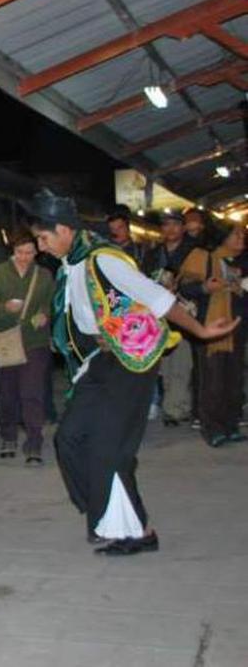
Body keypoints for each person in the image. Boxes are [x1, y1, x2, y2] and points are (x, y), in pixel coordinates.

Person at [26, 190, 239, 556]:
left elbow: (158, 297)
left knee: (110, 449)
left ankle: (139, 531)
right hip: (101, 360)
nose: (41, 247)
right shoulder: (71, 263)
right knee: (70, 439)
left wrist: (201, 331)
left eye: (43, 238)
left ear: (62, 230)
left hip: (131, 360)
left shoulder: (103, 260)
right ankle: (104, 514)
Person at [0, 231, 55, 464]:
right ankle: (8, 436)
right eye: (20, 252)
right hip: (5, 341)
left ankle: (34, 442)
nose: (24, 257)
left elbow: (51, 302)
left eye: (29, 253)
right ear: (13, 252)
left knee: (32, 392)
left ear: (36, 253)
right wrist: (5, 308)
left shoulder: (43, 275)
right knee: (8, 393)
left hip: (35, 341)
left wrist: (44, 315)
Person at [177, 223, 246, 446]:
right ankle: (212, 427)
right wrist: (205, 288)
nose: (241, 238)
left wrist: (240, 288)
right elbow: (185, 287)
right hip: (208, 328)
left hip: (236, 328)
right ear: (222, 237)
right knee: (212, 380)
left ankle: (231, 424)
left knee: (233, 379)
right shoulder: (202, 257)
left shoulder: (242, 260)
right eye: (236, 234)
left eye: (242, 234)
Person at [141, 211, 200, 426]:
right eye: (166, 225)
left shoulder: (193, 251)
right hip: (159, 314)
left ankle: (176, 408)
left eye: (175, 225)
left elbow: (203, 281)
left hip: (185, 312)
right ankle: (173, 406)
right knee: (165, 365)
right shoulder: (153, 254)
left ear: (183, 228)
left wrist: (180, 286)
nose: (171, 229)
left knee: (182, 363)